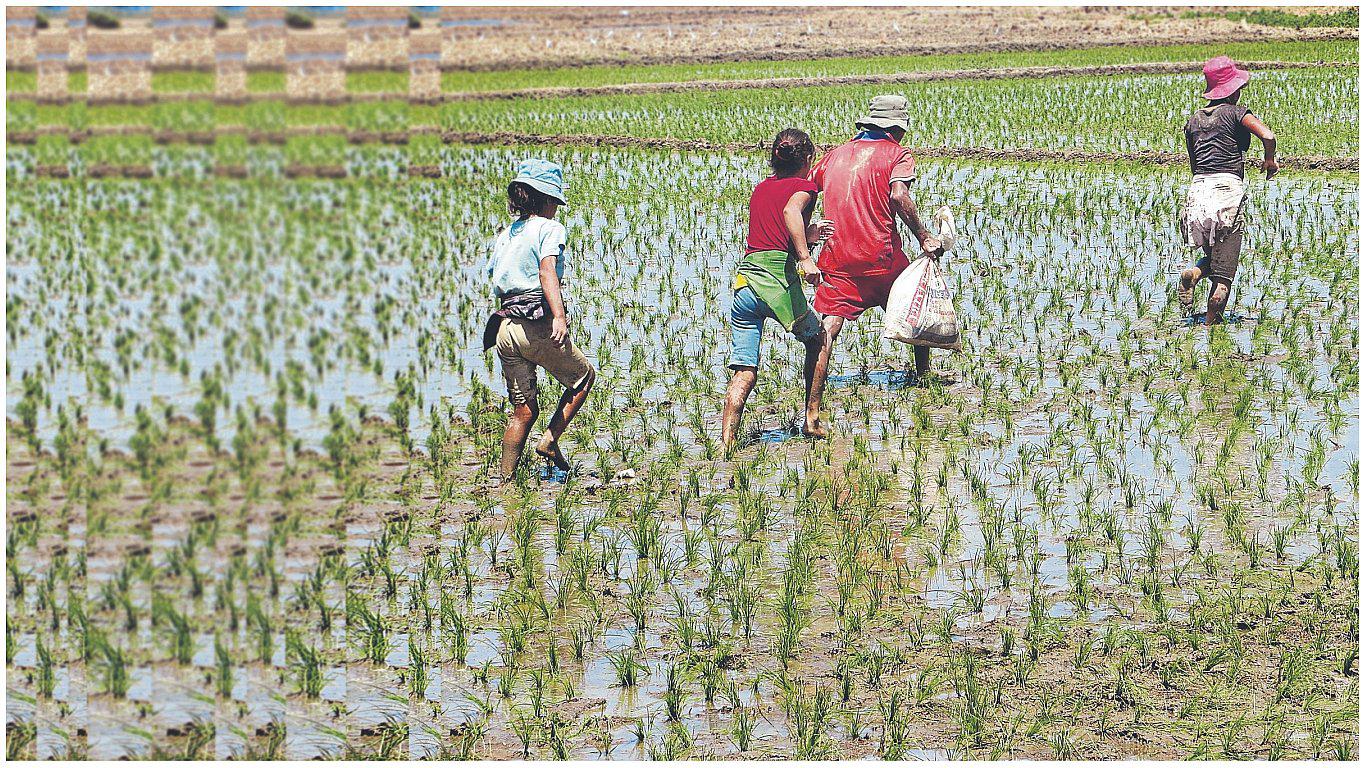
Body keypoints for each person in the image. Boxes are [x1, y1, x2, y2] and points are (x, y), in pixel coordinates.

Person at [809, 94, 943, 402]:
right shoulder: (897, 154)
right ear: (897, 129)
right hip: (881, 258)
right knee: (915, 307)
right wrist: (923, 235)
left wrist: (805, 238)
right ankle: (923, 378)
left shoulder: (834, 155)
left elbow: (804, 191)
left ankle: (813, 404)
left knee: (828, 327)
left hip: (837, 258)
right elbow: (898, 196)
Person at [483, 158, 595, 482]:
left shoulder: (505, 235)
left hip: (503, 327)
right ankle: (549, 441)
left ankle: (506, 484)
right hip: (534, 324)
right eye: (555, 203)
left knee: (523, 411)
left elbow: (498, 279)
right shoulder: (549, 228)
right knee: (583, 378)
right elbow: (547, 270)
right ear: (545, 200)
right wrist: (558, 317)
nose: (557, 210)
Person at [721, 128, 834, 447]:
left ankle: (728, 440)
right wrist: (806, 257)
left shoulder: (760, 189)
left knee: (745, 369)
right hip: (777, 286)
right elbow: (789, 211)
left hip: (745, 286)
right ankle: (812, 418)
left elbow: (772, 233)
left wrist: (808, 234)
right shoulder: (805, 186)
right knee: (818, 338)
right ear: (809, 159)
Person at [1177, 56, 1278, 325]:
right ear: (1233, 90)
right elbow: (1268, 136)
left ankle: (1195, 273)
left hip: (1197, 193)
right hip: (1226, 194)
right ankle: (1212, 328)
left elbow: (1194, 163)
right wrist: (1269, 160)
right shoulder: (1236, 112)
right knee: (1224, 275)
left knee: (1213, 256)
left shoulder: (1193, 120)